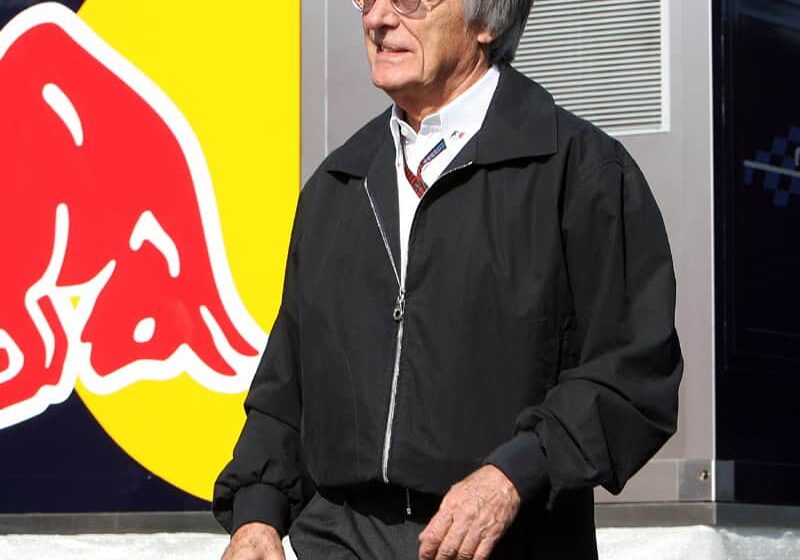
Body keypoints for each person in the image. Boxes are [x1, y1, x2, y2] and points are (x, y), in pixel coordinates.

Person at [213, 0, 683, 558]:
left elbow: (632, 373)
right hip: (339, 540)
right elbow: (285, 384)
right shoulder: (338, 184)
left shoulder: (582, 172)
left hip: (504, 541)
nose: (377, 19)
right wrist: (258, 517)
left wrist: (511, 476)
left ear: (486, 21)